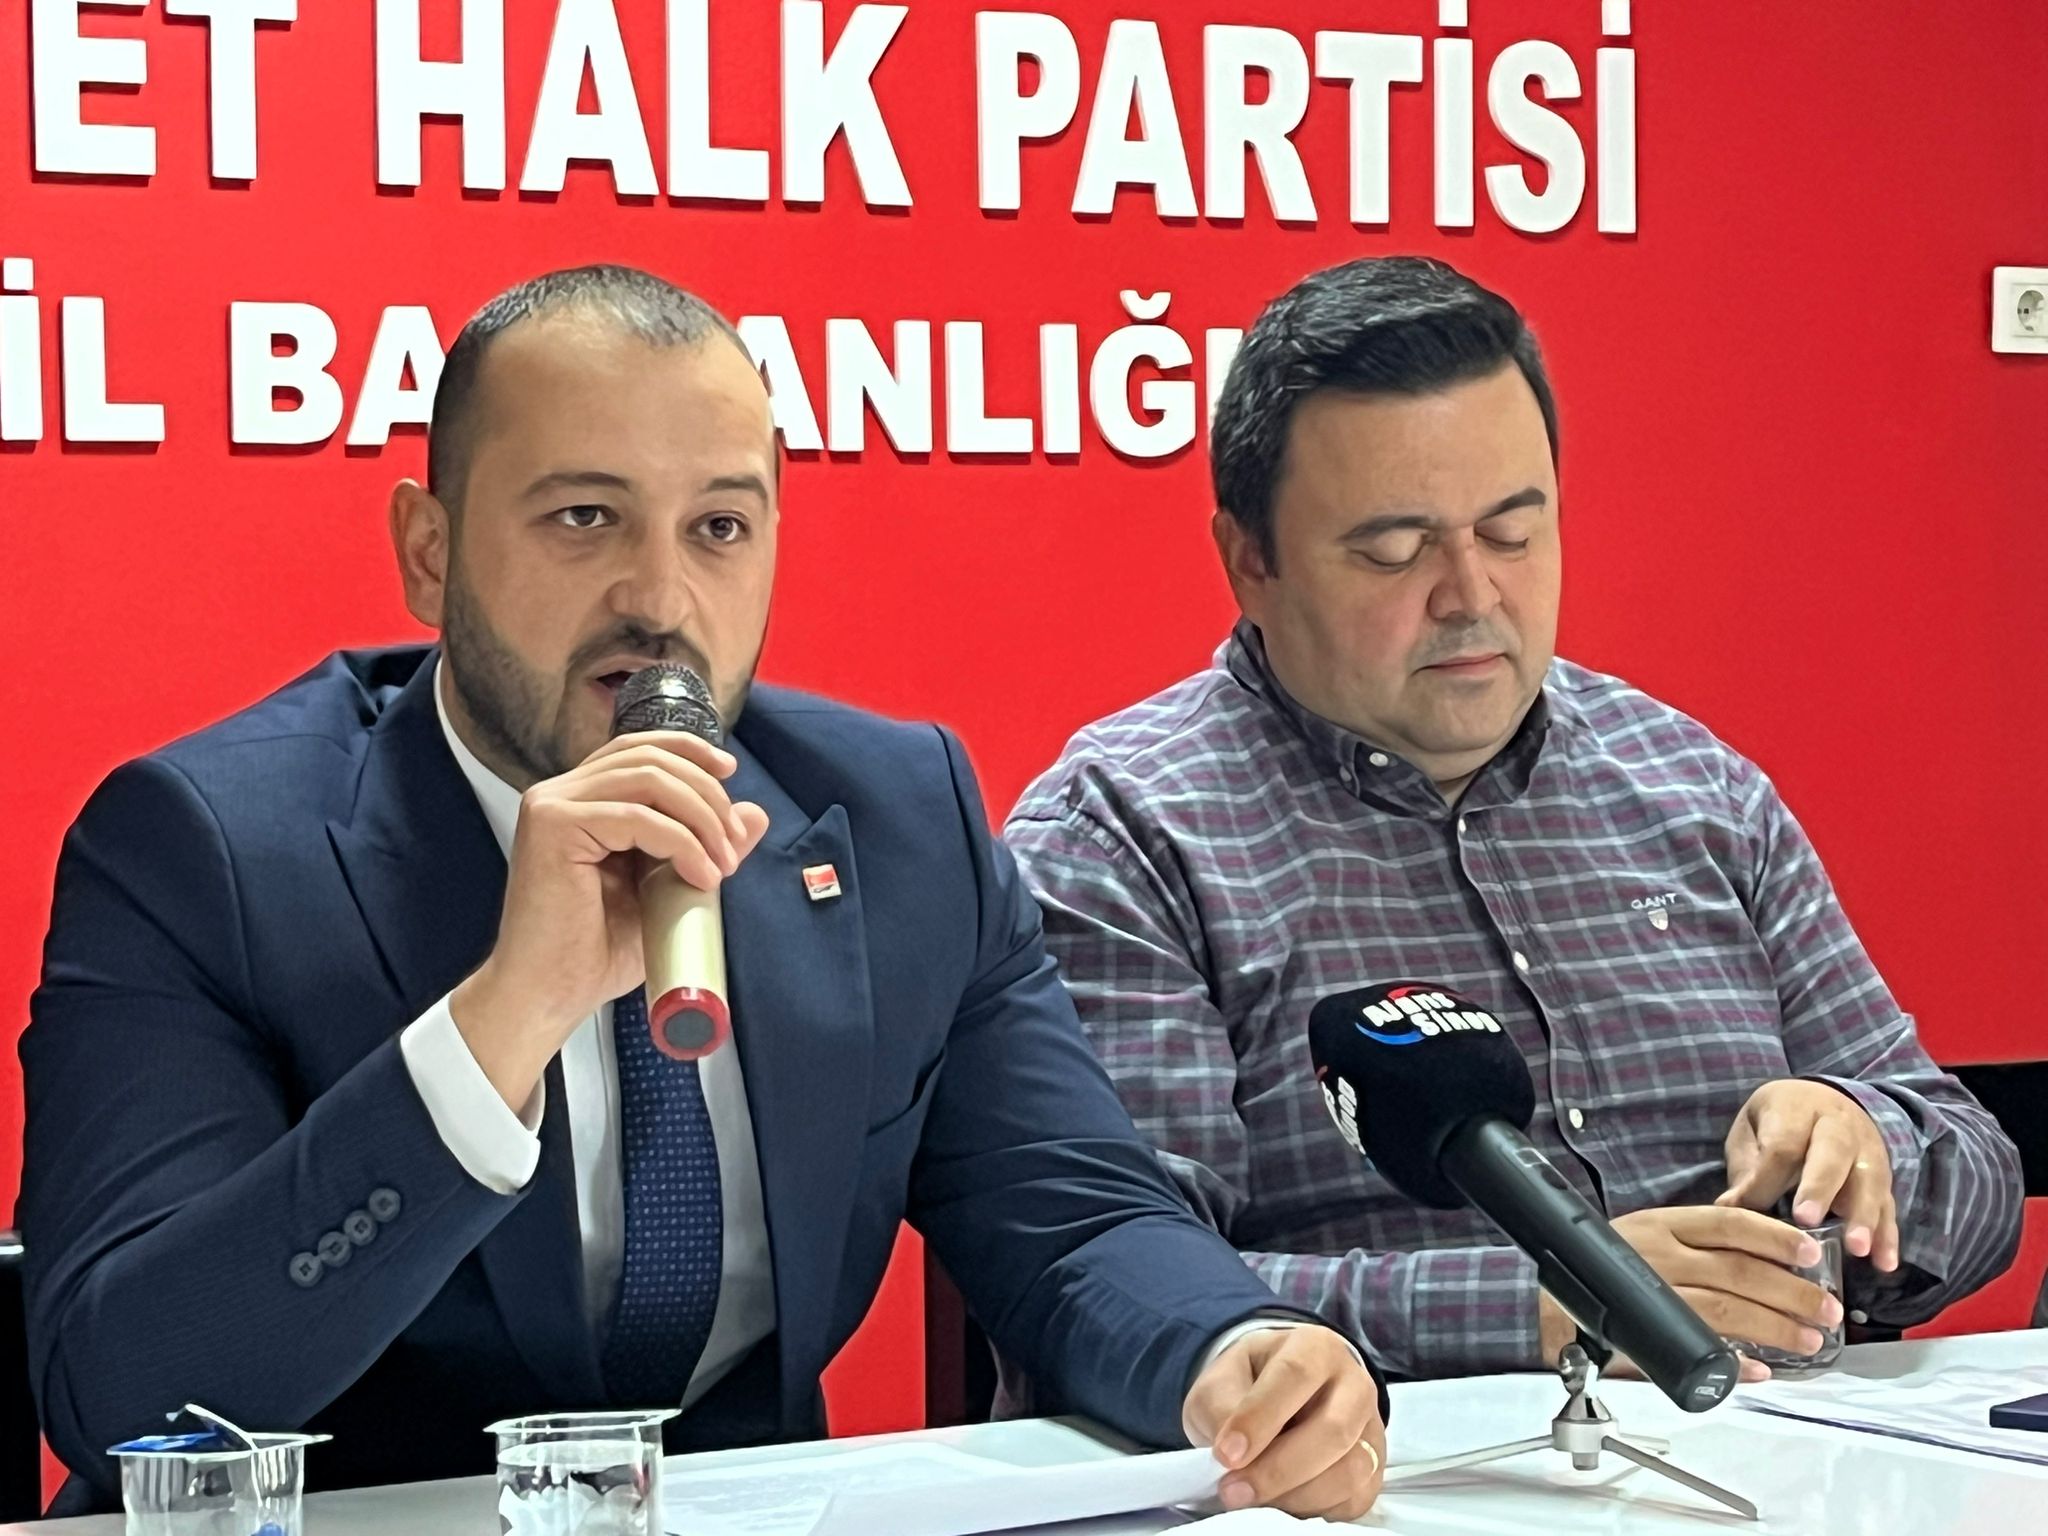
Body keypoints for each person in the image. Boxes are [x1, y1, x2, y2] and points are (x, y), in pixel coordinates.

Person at [19, 266, 1386, 1519]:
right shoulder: (204, 850)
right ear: (430, 552)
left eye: (719, 526)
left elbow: (1068, 1215)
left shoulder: (900, 817)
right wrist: (503, 1021)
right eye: (583, 518)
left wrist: (1231, 1346)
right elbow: (128, 1393)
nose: (661, 600)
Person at [1005, 255, 2023, 1384]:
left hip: (1786, 1445)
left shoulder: (1697, 788)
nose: (1471, 595)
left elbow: (1978, 1177)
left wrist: (1866, 1141)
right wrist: (1555, 1299)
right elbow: (1117, 1279)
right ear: (1251, 561)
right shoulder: (1123, 839)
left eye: (1511, 533)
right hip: (1389, 1464)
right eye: (1394, 551)